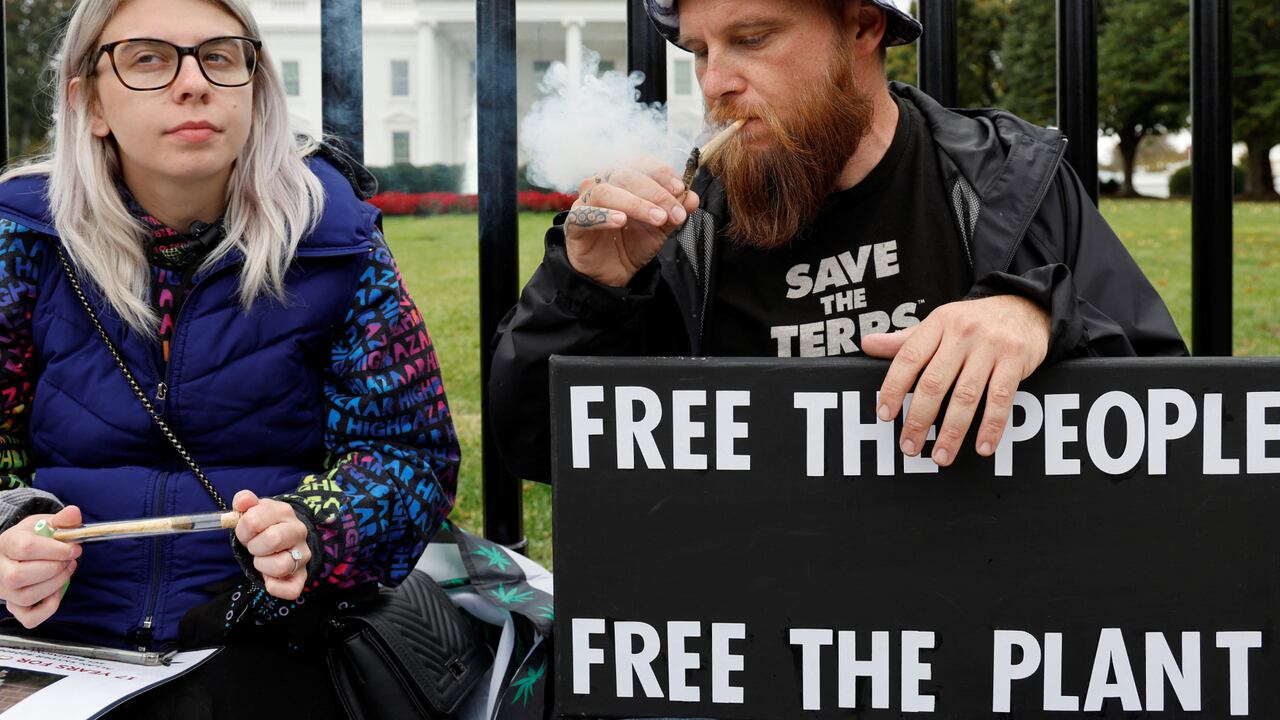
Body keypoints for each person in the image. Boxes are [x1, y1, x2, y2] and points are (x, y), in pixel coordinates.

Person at [489, 0, 1187, 482]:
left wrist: (1040, 315)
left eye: (753, 39)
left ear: (861, 27)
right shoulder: (682, 226)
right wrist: (590, 291)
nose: (715, 83)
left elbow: (1177, 421)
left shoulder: (1001, 178)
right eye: (701, 50)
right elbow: (539, 449)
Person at [0, 0, 459, 715]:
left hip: (259, 635)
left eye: (219, 56)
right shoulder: (22, 240)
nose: (193, 83)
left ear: (254, 85)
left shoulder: (334, 242)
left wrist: (314, 527)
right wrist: (9, 534)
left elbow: (411, 456)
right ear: (89, 101)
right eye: (149, 58)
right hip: (49, 643)